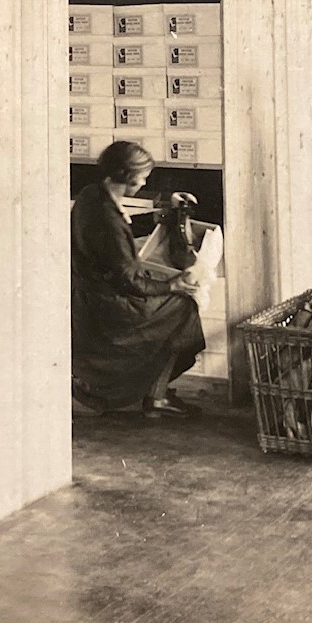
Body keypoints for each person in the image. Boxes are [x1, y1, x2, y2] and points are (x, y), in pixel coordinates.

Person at [69, 141, 206, 418]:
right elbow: (129, 281)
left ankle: (154, 389)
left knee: (174, 300)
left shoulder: (92, 196)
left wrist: (168, 210)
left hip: (87, 297)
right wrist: (173, 284)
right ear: (128, 176)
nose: (144, 182)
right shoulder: (106, 219)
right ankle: (156, 396)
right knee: (184, 307)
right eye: (142, 176)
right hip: (108, 307)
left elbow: (124, 228)